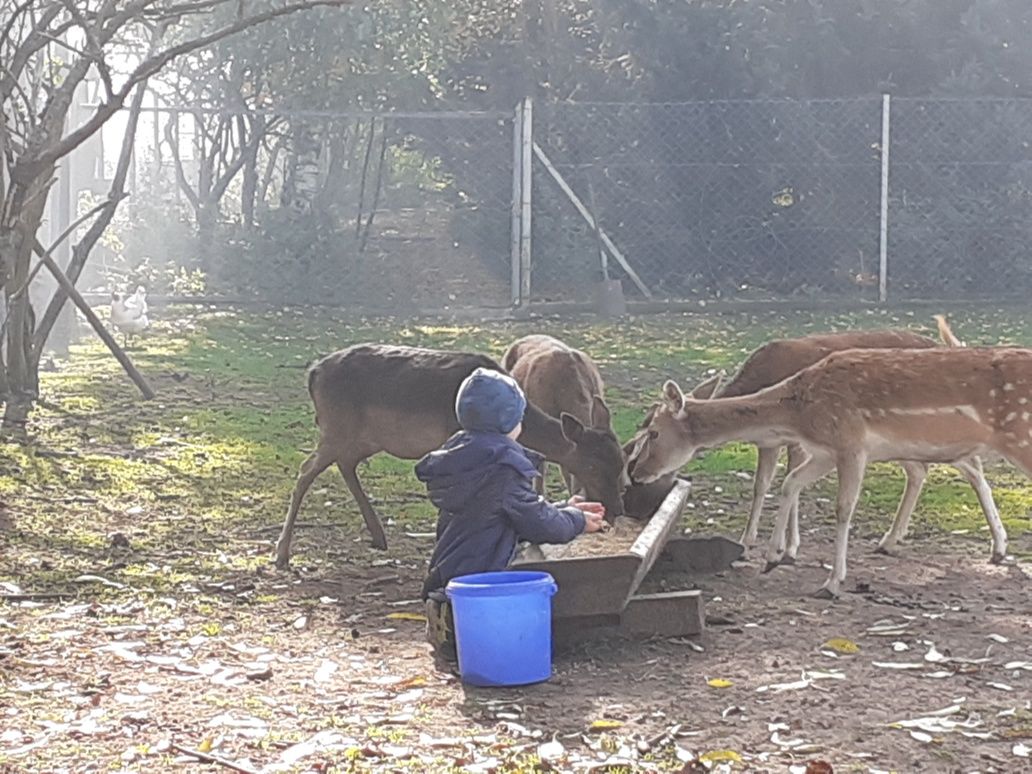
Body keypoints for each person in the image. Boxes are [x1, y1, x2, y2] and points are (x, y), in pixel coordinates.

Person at [415, 367, 607, 660]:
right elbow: (539, 524)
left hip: (451, 564)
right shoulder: (502, 467)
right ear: (511, 422)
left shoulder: (462, 457)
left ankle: (446, 610)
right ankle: (457, 624)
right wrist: (577, 521)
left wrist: (563, 510)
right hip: (487, 567)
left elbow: (507, 510)